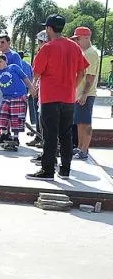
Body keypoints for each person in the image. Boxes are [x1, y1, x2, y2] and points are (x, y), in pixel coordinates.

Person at [27, 14, 89, 180]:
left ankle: (47, 170)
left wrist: (33, 88)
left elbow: (36, 73)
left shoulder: (47, 48)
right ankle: (65, 170)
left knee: (50, 135)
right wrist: (72, 87)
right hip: (68, 98)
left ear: (49, 28)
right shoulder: (74, 46)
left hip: (50, 97)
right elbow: (82, 72)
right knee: (66, 135)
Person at [0, 54, 36, 146]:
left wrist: (31, 88)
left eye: (0, 61)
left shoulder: (13, 67)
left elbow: (24, 78)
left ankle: (15, 138)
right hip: (6, 97)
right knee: (2, 114)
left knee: (16, 117)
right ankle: (4, 134)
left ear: (6, 61)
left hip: (19, 95)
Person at [70, 27, 100, 160]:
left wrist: (84, 93)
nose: (76, 41)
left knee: (85, 123)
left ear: (86, 38)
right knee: (80, 122)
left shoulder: (91, 53)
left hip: (86, 94)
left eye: (78, 38)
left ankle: (84, 150)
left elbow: (90, 76)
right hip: (80, 93)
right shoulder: (84, 52)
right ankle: (80, 147)